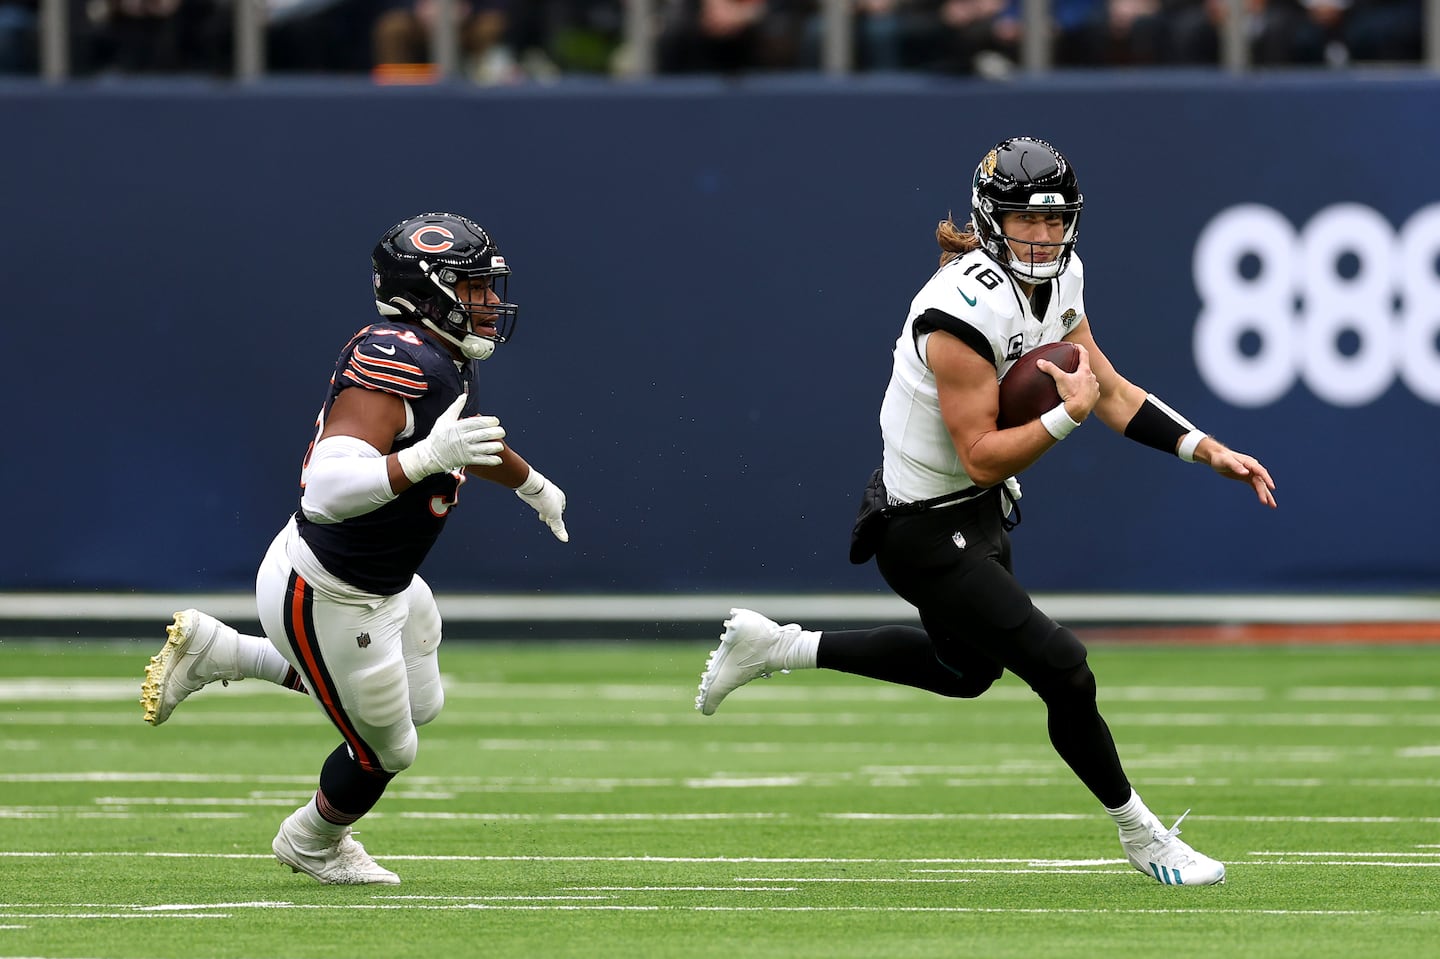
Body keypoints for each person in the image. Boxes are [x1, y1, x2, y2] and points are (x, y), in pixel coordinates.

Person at [695, 137, 1276, 887]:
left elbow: (1107, 385)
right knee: (1063, 667)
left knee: (966, 670)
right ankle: (1143, 834)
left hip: (977, 511)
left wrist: (1206, 447)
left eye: (1057, 220)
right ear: (991, 218)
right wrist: (1066, 418)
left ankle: (775, 647)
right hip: (921, 525)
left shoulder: (1063, 276)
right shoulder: (957, 311)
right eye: (1026, 222)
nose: (1044, 237)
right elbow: (981, 452)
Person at [140, 211, 570, 885]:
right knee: (389, 746)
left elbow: (466, 438)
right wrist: (427, 455)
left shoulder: (441, 352)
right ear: (424, 293)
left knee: (420, 705)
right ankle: (310, 840)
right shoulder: (397, 362)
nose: (489, 302)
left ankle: (226, 653)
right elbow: (328, 489)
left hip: (388, 584)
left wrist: (532, 483)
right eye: (474, 286)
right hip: (329, 593)